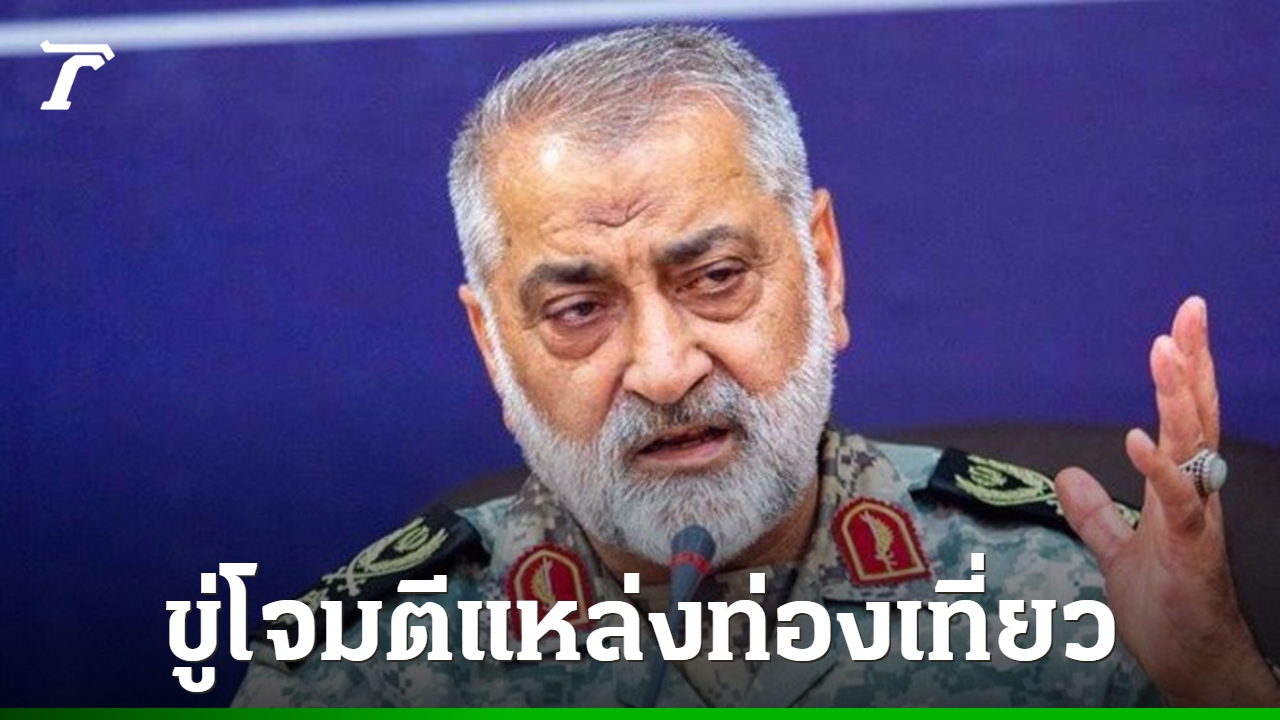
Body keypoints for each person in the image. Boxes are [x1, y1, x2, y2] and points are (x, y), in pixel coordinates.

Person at [232, 25, 1279, 707]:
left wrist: (1213, 682)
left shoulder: (1076, 602)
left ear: (823, 267)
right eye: (579, 309)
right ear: (492, 348)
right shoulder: (353, 674)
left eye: (716, 277)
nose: (662, 369)